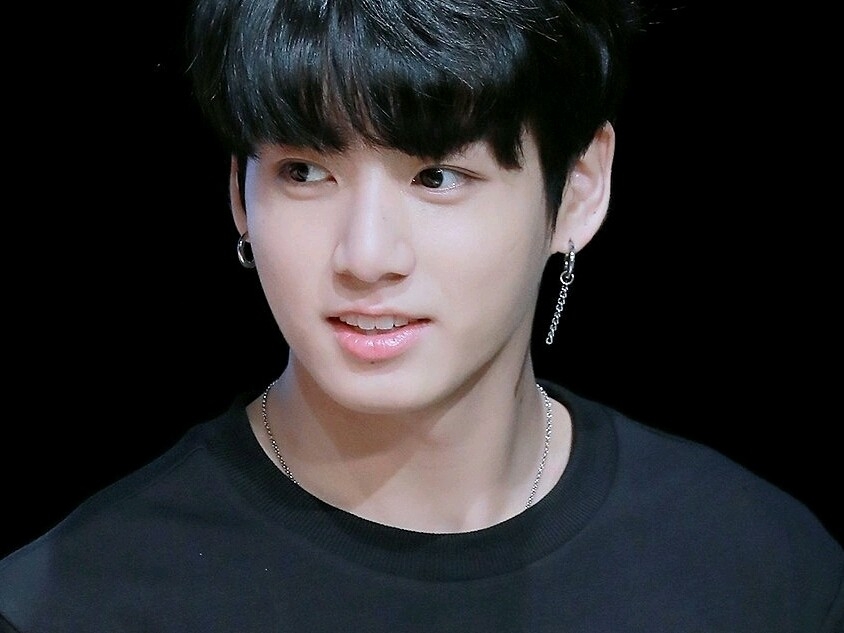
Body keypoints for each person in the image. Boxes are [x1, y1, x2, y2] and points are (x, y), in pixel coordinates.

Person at [1, 0, 842, 630]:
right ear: (239, 193)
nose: (366, 254)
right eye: (304, 171)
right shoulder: (76, 598)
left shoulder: (757, 565)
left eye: (436, 175)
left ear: (579, 188)